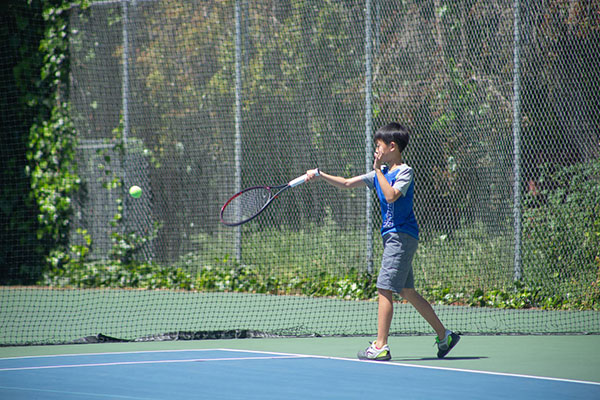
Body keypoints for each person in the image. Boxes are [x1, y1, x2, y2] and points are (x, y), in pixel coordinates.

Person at [306, 122, 460, 361]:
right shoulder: (381, 173)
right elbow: (347, 183)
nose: (375, 150)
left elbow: (391, 195)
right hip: (392, 237)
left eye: (378, 146)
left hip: (401, 236)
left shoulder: (404, 172)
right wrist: (319, 175)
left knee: (384, 287)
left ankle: (380, 346)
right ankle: (445, 336)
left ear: (392, 146)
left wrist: (378, 170)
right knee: (407, 290)